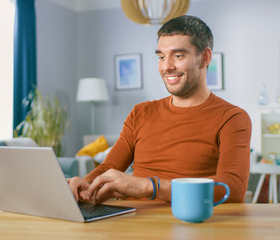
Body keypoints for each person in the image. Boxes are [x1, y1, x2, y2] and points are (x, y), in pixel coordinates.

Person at [69, 15, 252, 204]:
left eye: (178, 55)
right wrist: (84, 184)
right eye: (161, 57)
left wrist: (149, 187)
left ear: (205, 58)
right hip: (130, 223)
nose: (166, 67)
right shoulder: (140, 113)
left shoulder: (232, 118)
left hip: (189, 225)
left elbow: (233, 188)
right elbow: (110, 166)